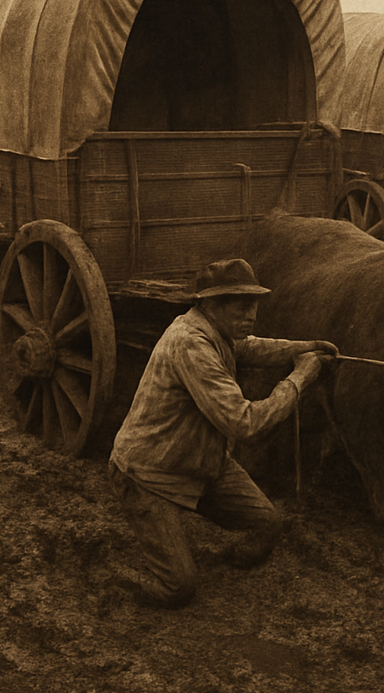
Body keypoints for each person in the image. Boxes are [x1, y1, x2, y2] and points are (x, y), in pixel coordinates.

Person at [109, 258, 340, 608]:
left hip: (202, 462)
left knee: (268, 525)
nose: (251, 314)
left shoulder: (217, 331)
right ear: (211, 304)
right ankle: (120, 577)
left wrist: (305, 346)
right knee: (179, 588)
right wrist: (300, 378)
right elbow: (246, 424)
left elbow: (251, 347)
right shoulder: (190, 343)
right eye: (241, 305)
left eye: (254, 305)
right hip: (149, 474)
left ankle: (209, 554)